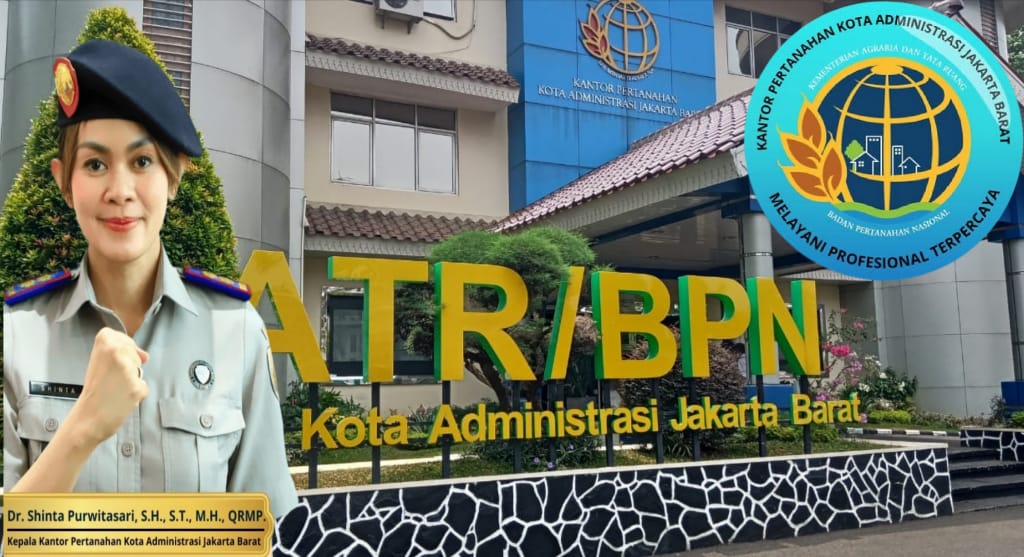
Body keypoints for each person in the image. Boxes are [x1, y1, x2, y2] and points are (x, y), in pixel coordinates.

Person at [2, 39, 298, 518]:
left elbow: (264, 528)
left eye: (142, 162)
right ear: (63, 180)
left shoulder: (236, 331)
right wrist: (83, 427)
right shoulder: (18, 336)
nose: (120, 191)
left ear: (174, 175)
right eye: (95, 164)